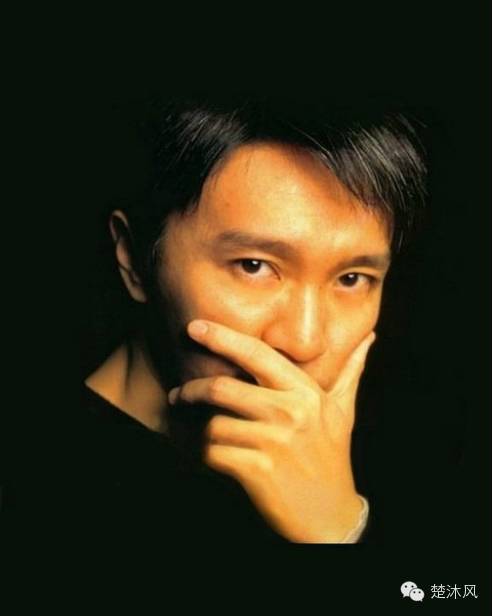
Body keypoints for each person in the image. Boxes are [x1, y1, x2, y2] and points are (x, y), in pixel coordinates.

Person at [79, 95, 426, 544]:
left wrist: (339, 527)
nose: (303, 342)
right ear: (134, 259)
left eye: (351, 278)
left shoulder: (414, 454)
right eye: (253, 266)